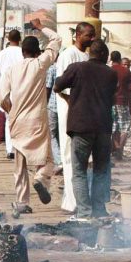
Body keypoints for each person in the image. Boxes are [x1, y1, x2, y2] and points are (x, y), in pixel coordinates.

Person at [0, 19, 61, 214]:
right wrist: (41, 27)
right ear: (37, 52)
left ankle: (22, 201)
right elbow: (57, 39)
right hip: (37, 121)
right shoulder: (40, 64)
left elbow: (2, 98)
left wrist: (11, 111)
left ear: (22, 51)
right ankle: (41, 178)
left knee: (20, 164)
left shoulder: (11, 70)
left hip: (17, 121)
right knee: (48, 159)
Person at [54, 39, 117, 220]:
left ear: (90, 53)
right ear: (105, 55)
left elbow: (58, 85)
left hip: (81, 126)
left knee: (79, 170)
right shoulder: (111, 73)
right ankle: (99, 209)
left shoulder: (77, 68)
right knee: (101, 170)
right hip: (103, 127)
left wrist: (69, 98)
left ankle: (84, 212)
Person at [54, 22, 95, 214]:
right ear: (78, 35)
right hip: (69, 113)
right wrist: (71, 100)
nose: (92, 39)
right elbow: (60, 84)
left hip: (84, 115)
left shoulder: (87, 56)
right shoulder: (68, 55)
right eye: (89, 35)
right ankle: (71, 202)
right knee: (70, 157)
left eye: (93, 35)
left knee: (84, 160)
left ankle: (79, 199)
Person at [0, 29, 24, 159]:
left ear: (8, 39)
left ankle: (10, 149)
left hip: (5, 91)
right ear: (20, 38)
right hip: (21, 90)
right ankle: (18, 148)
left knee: (8, 120)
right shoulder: (23, 53)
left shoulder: (2, 54)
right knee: (20, 120)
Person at [110, 51, 131, 160]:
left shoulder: (108, 70)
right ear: (120, 59)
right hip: (122, 102)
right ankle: (119, 149)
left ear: (111, 59)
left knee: (114, 127)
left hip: (110, 103)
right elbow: (130, 89)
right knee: (125, 127)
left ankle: (116, 149)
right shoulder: (126, 71)